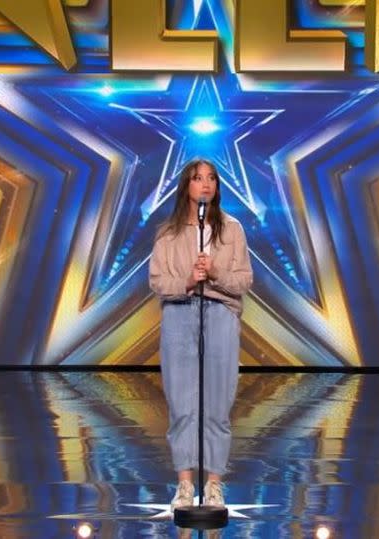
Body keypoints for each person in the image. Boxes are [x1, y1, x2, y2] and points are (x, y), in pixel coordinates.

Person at [148, 158, 253, 512]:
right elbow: (158, 282)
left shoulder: (232, 229)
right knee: (181, 404)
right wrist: (189, 281)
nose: (205, 184)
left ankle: (213, 485)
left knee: (217, 405)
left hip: (221, 314)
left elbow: (244, 281)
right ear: (186, 187)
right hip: (179, 315)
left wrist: (216, 271)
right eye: (197, 178)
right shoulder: (168, 232)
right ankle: (184, 484)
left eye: (211, 178)